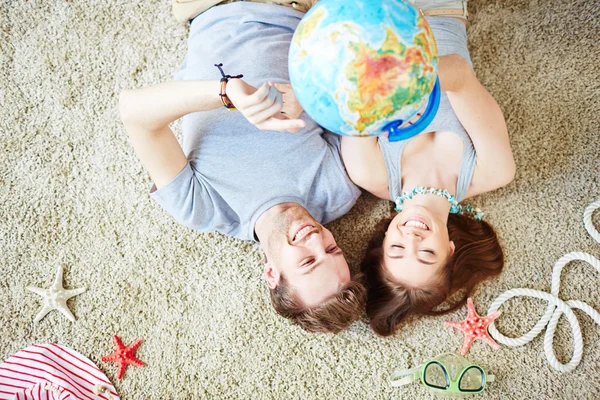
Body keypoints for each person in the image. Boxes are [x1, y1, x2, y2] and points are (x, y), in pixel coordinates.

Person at [119, 0, 366, 333]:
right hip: (301, 9)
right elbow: (359, 89)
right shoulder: (338, 189)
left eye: (308, 261)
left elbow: (134, 112)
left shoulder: (204, 208)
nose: (316, 239)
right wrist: (309, 97)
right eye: (332, 249)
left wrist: (227, 92)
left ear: (271, 274)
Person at [340, 1, 516, 336]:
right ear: (450, 250)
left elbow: (355, 96)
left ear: (384, 237)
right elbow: (460, 77)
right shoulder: (494, 171)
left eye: (397, 249)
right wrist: (413, 76)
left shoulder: (368, 172)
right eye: (426, 253)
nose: (412, 236)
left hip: (374, 15)